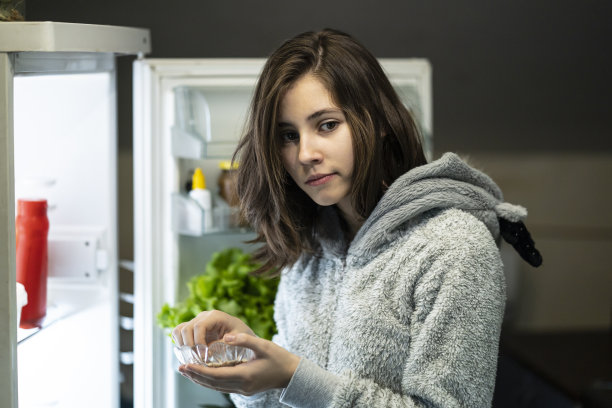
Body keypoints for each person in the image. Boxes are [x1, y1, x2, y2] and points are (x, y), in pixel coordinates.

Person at [172, 28, 542, 408]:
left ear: (379, 121)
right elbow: (290, 395)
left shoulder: (454, 247)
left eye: (327, 125)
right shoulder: (309, 253)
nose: (305, 154)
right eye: (287, 135)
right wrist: (248, 359)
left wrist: (292, 376)